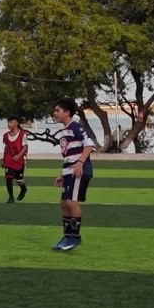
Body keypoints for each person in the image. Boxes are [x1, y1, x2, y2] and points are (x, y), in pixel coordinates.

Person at [51, 98, 94, 252]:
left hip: (78, 171)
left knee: (71, 202)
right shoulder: (63, 132)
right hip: (68, 171)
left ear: (67, 112)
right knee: (63, 203)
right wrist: (61, 174)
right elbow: (68, 155)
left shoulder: (75, 126)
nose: (54, 113)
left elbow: (89, 144)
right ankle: (67, 236)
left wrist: (80, 162)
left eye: (57, 110)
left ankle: (75, 237)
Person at [1, 116, 29, 203]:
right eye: (8, 122)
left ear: (16, 123)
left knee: (19, 179)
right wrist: (3, 159)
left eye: (11, 122)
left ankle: (23, 189)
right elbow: (6, 147)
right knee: (8, 178)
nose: (9, 124)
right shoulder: (6, 136)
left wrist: (19, 155)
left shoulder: (22, 134)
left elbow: (25, 147)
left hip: (19, 160)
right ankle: (11, 197)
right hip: (9, 159)